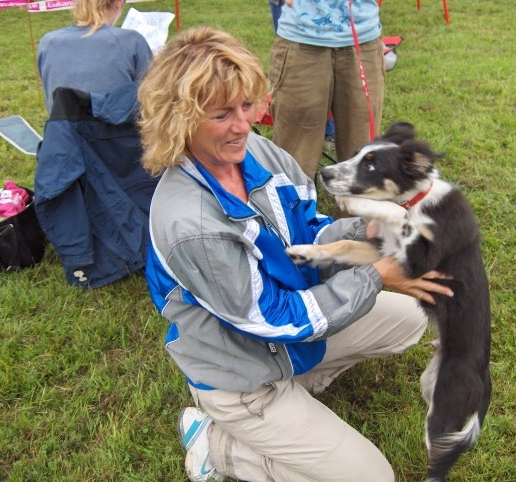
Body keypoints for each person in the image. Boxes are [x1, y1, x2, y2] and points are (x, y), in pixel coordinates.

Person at [138, 26, 453, 482]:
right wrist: (374, 275)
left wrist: (367, 230)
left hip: (281, 343)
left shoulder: (257, 151)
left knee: (408, 317)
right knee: (373, 478)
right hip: (242, 373)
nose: (243, 125)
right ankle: (217, 443)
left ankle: (300, 385)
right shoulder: (192, 225)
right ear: (179, 118)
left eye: (247, 105)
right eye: (222, 114)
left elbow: (309, 230)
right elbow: (272, 317)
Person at [268, 0, 385, 179]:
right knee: (295, 156)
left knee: (363, 155)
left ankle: (355, 207)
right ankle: (296, 206)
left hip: (363, 38)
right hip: (300, 39)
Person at [36, 0, 153, 113]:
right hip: (120, 130)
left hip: (63, 130)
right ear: (118, 3)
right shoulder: (132, 41)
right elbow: (150, 98)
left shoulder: (48, 43)